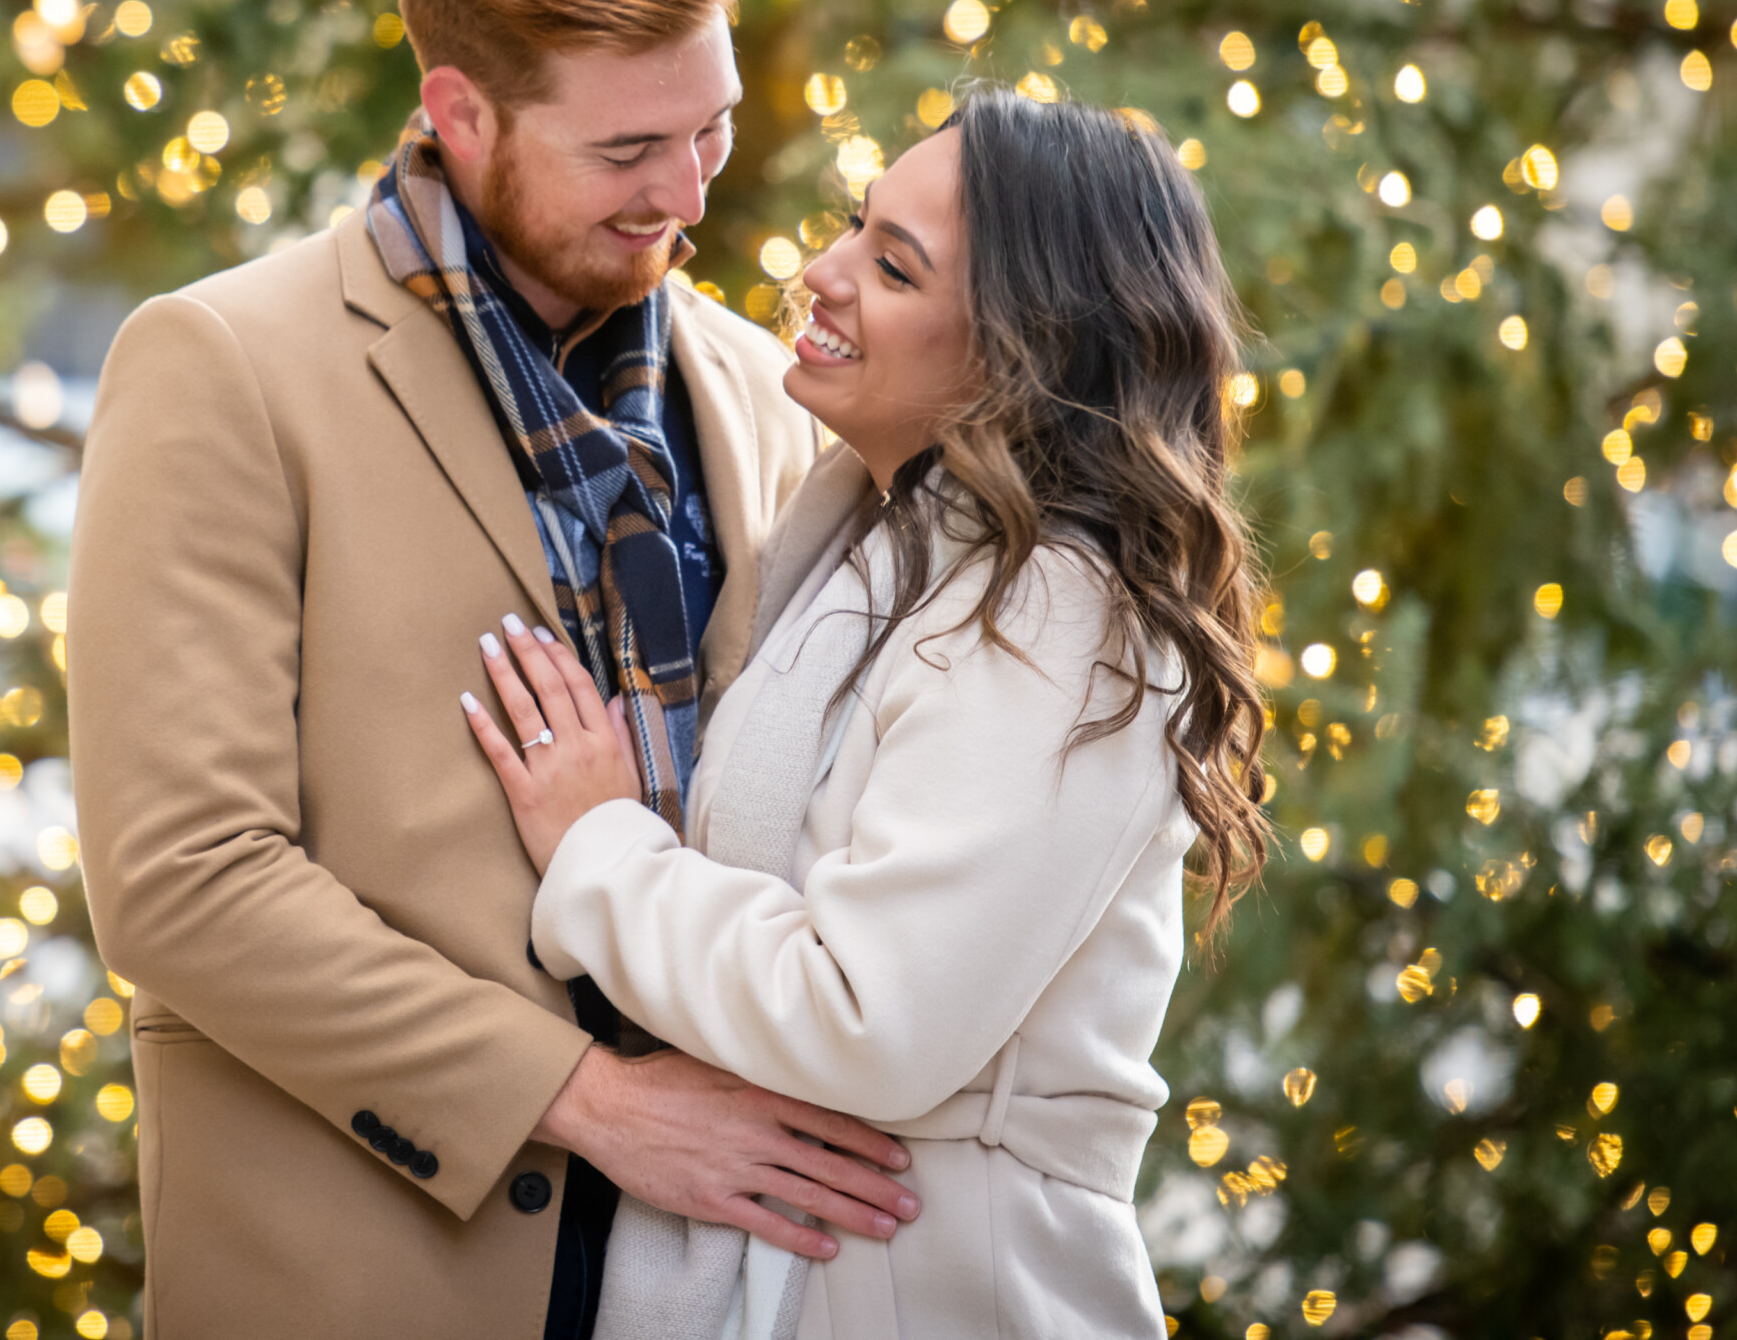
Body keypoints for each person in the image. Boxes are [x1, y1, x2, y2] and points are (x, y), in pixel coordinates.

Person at [68, 0, 920, 1340]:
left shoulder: (760, 386)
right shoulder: (222, 365)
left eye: (709, 124)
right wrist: (590, 1100)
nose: (689, 193)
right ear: (460, 113)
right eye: (625, 148)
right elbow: (181, 882)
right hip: (362, 1278)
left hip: (719, 1285)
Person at [465, 88, 1272, 1339]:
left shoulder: (1063, 612)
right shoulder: (861, 543)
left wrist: (599, 846)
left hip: (938, 1281)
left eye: (892, 266)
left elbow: (870, 1018)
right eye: (855, 223)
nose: (821, 271)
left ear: (1024, 347)